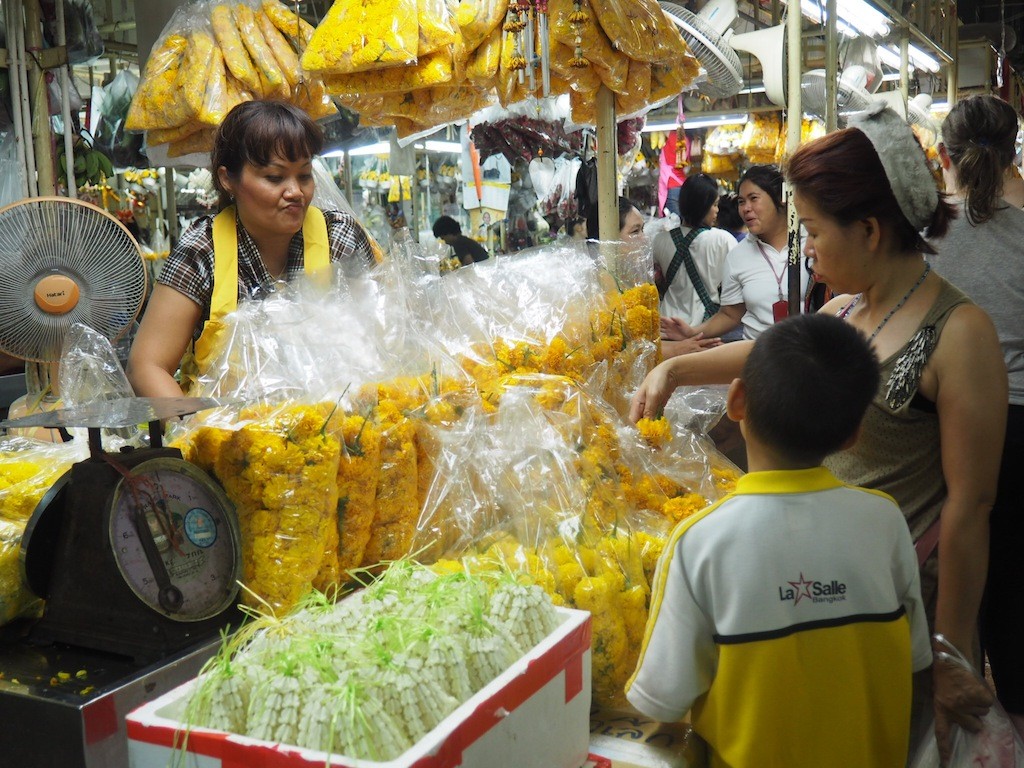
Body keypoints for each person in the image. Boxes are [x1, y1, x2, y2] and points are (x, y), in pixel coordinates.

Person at [630, 104, 1007, 761]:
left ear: (866, 229)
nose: (808, 251)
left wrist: (948, 655)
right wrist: (675, 366)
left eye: (811, 231)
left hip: (900, 601)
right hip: (816, 571)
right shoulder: (844, 309)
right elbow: (773, 352)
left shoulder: (959, 332)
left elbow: (971, 508)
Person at [627, 314, 931, 767]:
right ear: (853, 436)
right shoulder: (885, 522)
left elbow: (659, 701)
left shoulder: (700, 543)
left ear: (735, 401)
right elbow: (916, 662)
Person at [127, 100, 375, 398]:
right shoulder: (203, 250)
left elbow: (385, 338)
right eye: (275, 177)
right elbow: (147, 366)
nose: (295, 192)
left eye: (305, 175)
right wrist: (196, 433)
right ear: (227, 179)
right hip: (232, 433)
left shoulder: (340, 237)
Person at [932, 93, 1024, 738]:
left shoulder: (922, 234)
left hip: (942, 426)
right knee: (1017, 587)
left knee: (950, 582)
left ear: (943, 157)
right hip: (1020, 426)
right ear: (1014, 155)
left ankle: (951, 725)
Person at [660, 165, 809, 347]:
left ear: (781, 198)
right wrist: (692, 332)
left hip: (810, 354)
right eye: (741, 201)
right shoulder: (738, 254)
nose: (746, 208)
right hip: (758, 357)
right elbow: (730, 314)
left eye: (754, 198)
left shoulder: (810, 243)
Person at [652, 174, 735, 358]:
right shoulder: (723, 240)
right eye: (714, 205)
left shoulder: (660, 240)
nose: (717, 211)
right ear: (702, 206)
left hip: (665, 327)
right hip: (704, 330)